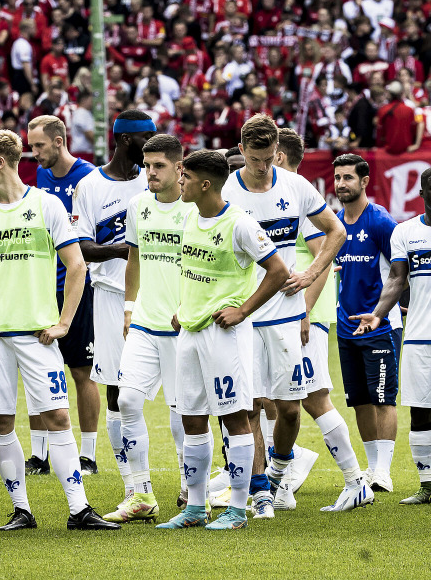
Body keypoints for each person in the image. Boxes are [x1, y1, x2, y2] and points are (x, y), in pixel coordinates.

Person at [0, 129, 117, 531]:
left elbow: (77, 266)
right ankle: (21, 510)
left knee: (59, 417)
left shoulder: (46, 205)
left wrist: (64, 322)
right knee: (1, 422)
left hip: (36, 334)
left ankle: (79, 509)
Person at [156, 149, 290, 531]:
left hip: (224, 334)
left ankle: (235, 509)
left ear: (205, 183)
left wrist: (243, 310)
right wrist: (184, 308)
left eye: (185, 177)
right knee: (192, 418)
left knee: (234, 417)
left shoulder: (240, 224)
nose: (179, 183)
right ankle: (196, 508)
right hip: (191, 332)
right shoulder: (187, 218)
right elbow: (195, 271)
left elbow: (278, 271)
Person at [222, 114, 348, 517]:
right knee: (247, 407)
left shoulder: (294, 186)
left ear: (278, 152)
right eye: (254, 158)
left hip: (285, 316)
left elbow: (336, 232)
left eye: (268, 159)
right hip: (241, 314)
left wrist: (310, 273)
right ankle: (259, 492)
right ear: (241, 151)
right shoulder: (226, 191)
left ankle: (278, 471)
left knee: (290, 408)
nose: (261, 167)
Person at [350, 167, 431, 507]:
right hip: (418, 336)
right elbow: (396, 279)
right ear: (422, 193)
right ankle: (427, 487)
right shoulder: (405, 232)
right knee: (420, 412)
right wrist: (378, 313)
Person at [271, 129, 365, 513]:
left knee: (313, 398)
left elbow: (324, 257)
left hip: (303, 317)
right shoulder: (278, 192)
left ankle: (355, 481)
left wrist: (304, 311)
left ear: (279, 156)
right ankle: (282, 476)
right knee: (272, 400)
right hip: (278, 316)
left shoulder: (296, 193)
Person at [103, 134, 192, 523]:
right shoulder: (138, 205)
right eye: (146, 164)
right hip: (143, 322)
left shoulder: (195, 211)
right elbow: (134, 260)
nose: (149, 172)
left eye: (158, 166)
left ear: (179, 168)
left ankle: (191, 484)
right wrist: (128, 306)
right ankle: (141, 494)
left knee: (182, 412)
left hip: (183, 326)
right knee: (126, 402)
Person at [71, 110, 152, 499]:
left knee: (177, 388)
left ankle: (190, 487)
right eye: (145, 137)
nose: (151, 145)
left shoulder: (155, 181)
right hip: (107, 295)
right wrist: (129, 248)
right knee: (116, 388)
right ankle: (131, 485)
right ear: (123, 140)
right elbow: (82, 247)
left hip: (153, 294)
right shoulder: (89, 186)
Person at [26, 115, 100, 475]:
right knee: (38, 370)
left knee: (82, 371)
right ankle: (39, 455)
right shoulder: (40, 178)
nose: (34, 152)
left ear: (59, 141)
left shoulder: (88, 177)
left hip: (77, 288)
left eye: (39, 145)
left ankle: (88, 454)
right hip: (41, 289)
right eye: (32, 145)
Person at [332, 153, 401, 496]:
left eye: (348, 177)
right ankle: (371, 467)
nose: (341, 184)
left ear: (364, 181)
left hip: (380, 325)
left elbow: (402, 274)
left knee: (383, 398)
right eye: (337, 177)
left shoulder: (381, 222)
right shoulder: (334, 223)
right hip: (345, 325)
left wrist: (385, 313)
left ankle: (384, 472)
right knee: (359, 400)